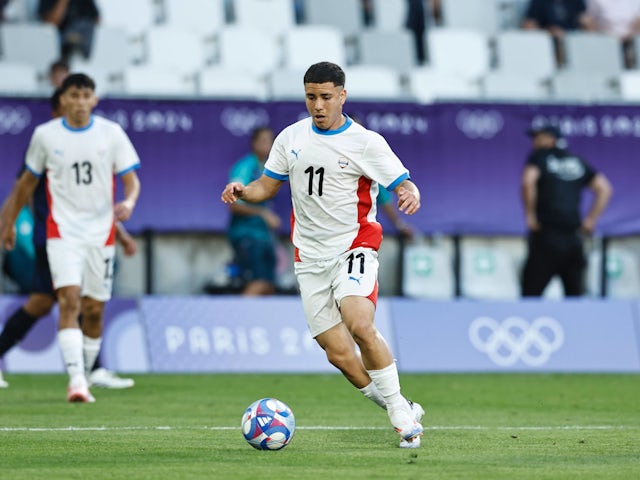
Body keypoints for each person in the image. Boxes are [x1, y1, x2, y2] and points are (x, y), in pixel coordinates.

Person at [221, 61, 424, 448]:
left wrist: (409, 192)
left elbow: (402, 181)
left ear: (342, 96)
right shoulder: (291, 138)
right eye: (311, 96)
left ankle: (401, 417)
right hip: (309, 258)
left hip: (354, 244)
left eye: (326, 97)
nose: (318, 104)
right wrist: (244, 190)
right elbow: (267, 186)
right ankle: (400, 405)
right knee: (338, 354)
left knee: (359, 322)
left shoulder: (366, 142)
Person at [0, 73, 141, 401]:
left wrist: (121, 230)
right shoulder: (46, 138)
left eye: (85, 96)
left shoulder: (109, 134)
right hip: (55, 234)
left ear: (94, 99)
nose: (79, 103)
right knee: (66, 300)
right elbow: (23, 186)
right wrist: (6, 224)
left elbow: (103, 195)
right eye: (72, 96)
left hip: (98, 236)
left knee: (81, 305)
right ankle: (82, 378)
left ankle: (90, 370)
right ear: (61, 102)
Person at [521, 124, 612, 297]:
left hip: (546, 235)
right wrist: (591, 220)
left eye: (538, 138)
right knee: (575, 296)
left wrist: (530, 215)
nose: (534, 142)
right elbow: (605, 189)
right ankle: (578, 325)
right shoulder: (576, 160)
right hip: (574, 238)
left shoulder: (539, 157)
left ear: (551, 139)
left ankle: (527, 324)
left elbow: (528, 182)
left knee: (531, 295)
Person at [226, 126, 281, 296]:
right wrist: (262, 213)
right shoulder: (245, 167)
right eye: (263, 141)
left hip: (265, 237)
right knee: (258, 283)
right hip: (247, 235)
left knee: (269, 286)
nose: (267, 145)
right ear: (253, 144)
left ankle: (263, 323)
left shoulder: (269, 168)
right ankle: (238, 322)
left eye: (270, 141)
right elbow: (234, 202)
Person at [521, 0, 589, 65]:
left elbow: (585, 20)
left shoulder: (576, 1)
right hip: (547, 42)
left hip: (572, 42)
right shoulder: (539, 1)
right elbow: (528, 24)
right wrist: (547, 32)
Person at [582, 0, 640, 68]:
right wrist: (601, 39)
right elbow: (588, 20)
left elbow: (637, 20)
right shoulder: (596, 1)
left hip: (630, 42)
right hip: (605, 43)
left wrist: (630, 36)